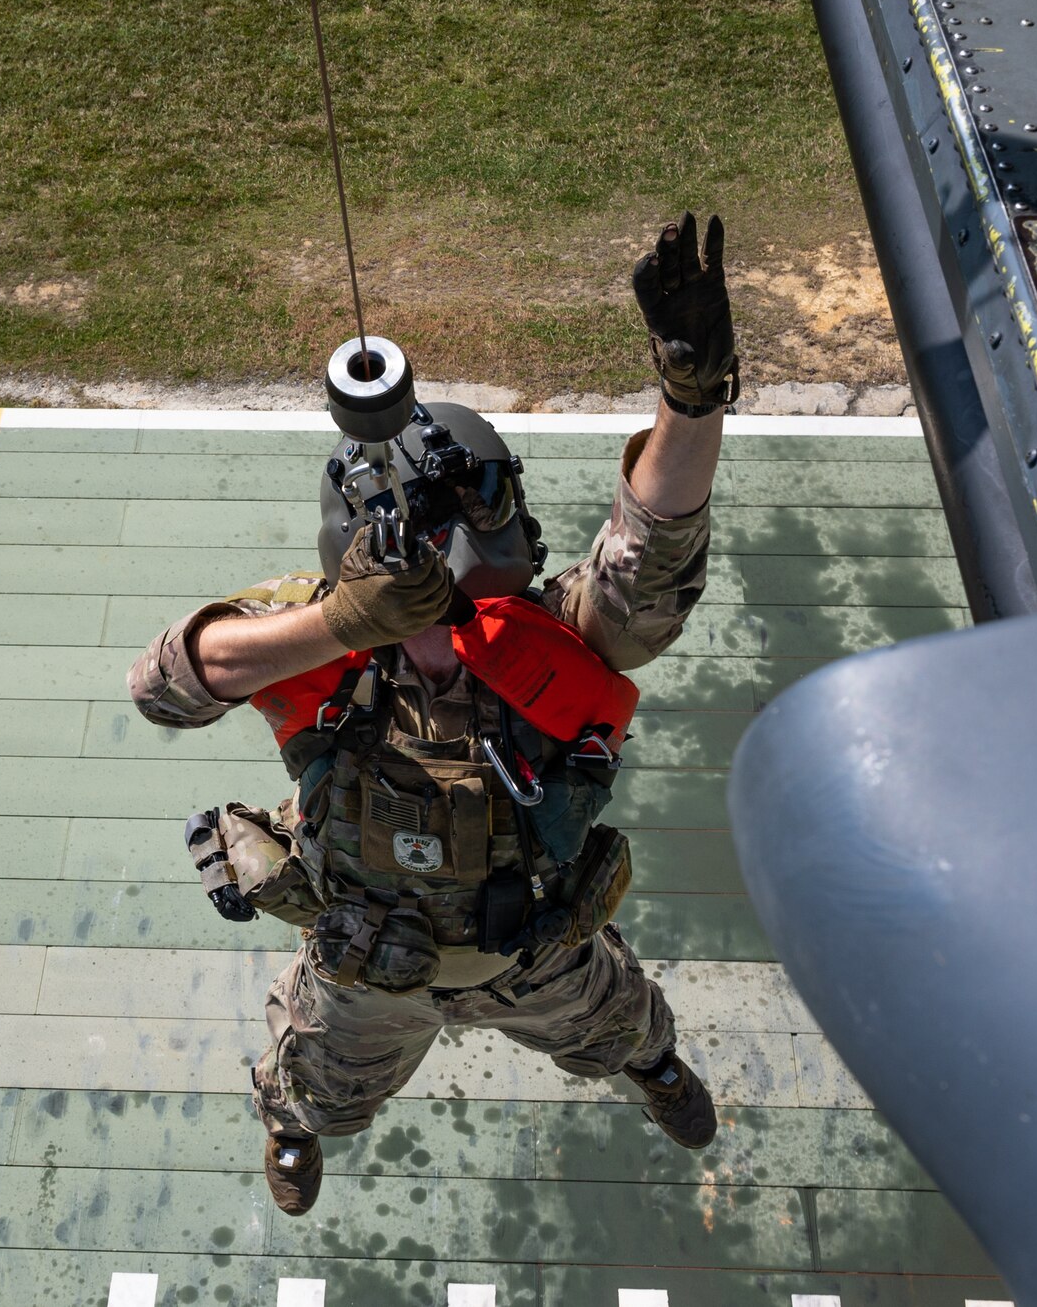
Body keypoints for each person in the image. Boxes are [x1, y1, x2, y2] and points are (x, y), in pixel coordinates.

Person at [126, 215, 738, 1216]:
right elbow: (165, 682)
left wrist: (692, 398)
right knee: (318, 1084)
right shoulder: (320, 642)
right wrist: (339, 621)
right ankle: (292, 1123)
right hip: (369, 961)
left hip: (533, 948)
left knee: (622, 1024)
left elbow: (654, 547)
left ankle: (653, 1067)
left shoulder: (562, 632)